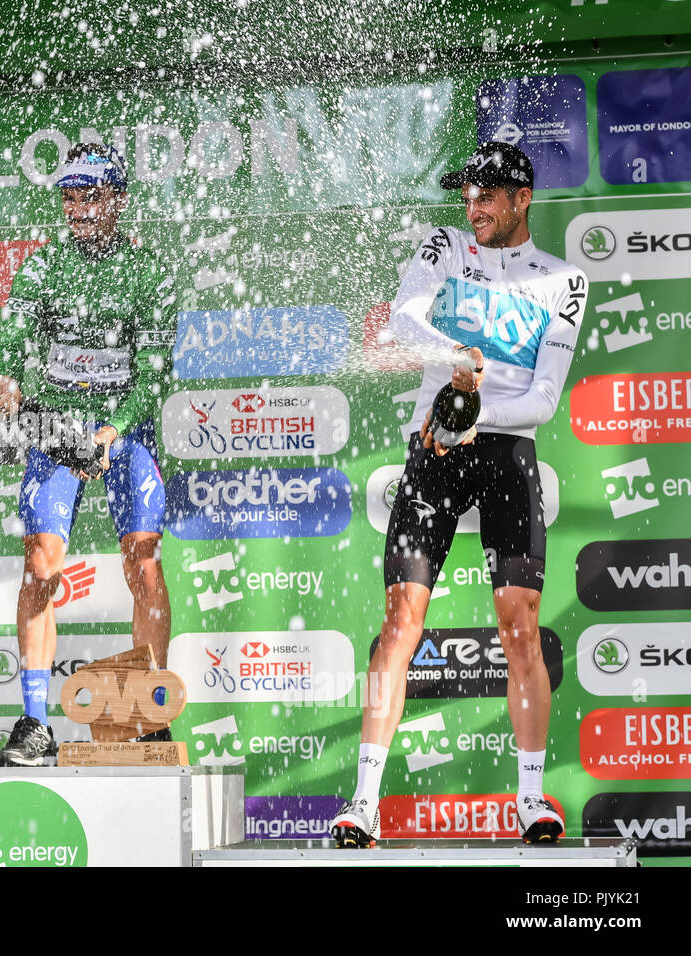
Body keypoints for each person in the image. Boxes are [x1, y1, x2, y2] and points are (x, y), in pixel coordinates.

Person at [331, 143, 589, 846]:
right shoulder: (444, 244)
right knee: (399, 622)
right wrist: (455, 363)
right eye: (469, 195)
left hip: (505, 452)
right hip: (436, 448)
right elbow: (402, 323)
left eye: (488, 197)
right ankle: (363, 803)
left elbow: (541, 400)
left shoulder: (563, 281)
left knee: (519, 626)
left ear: (523, 198)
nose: (474, 208)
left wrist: (476, 414)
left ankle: (530, 800)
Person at [0, 144, 178, 766]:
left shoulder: (149, 273)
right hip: (58, 423)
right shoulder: (41, 270)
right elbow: (13, 345)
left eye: (91, 196)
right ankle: (35, 724)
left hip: (127, 426)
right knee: (41, 564)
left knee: (143, 564)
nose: (79, 209)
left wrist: (113, 430)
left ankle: (147, 715)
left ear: (117, 200)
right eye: (69, 197)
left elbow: (154, 374)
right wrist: (7, 384)